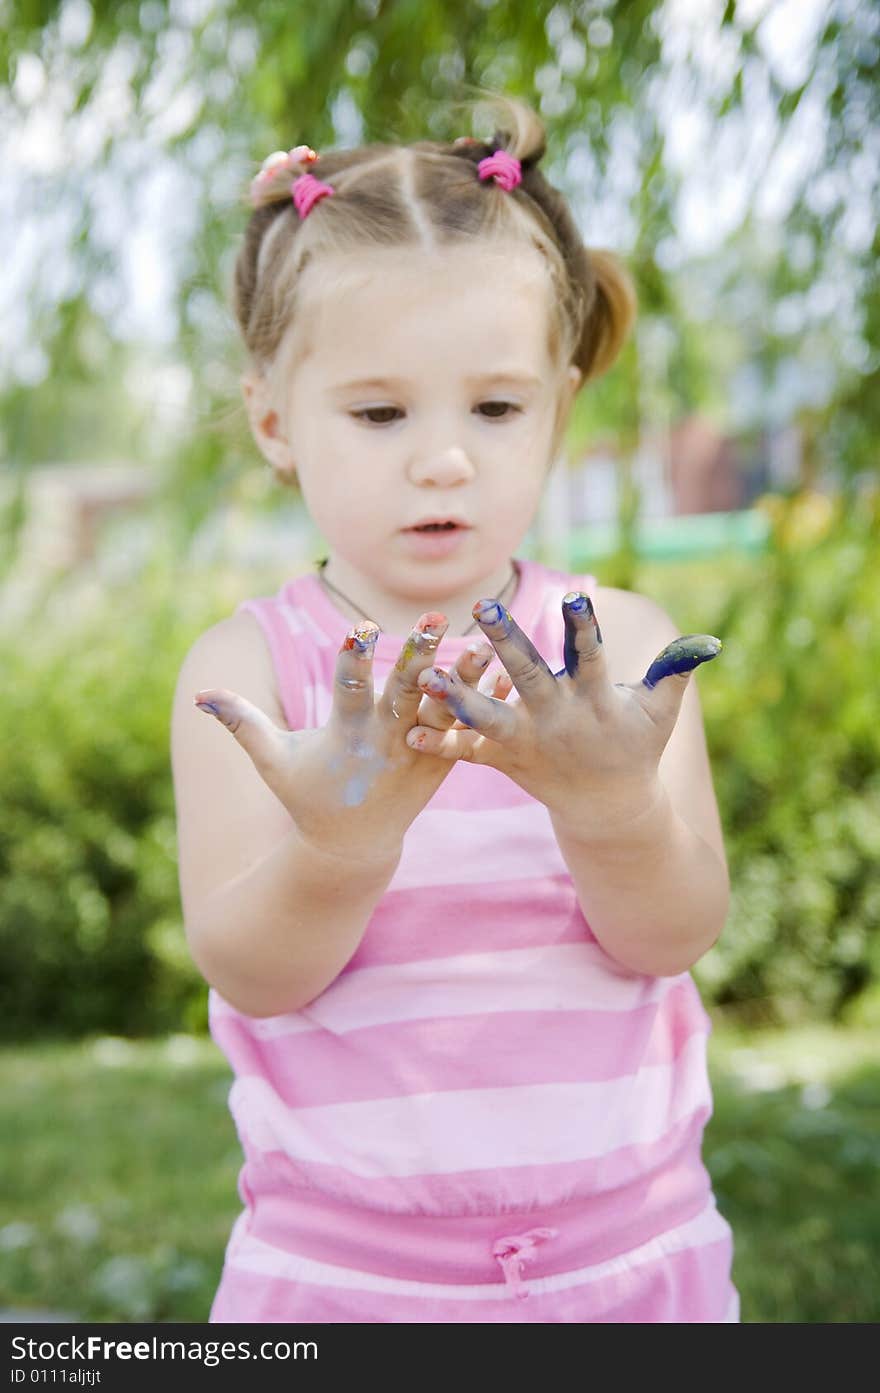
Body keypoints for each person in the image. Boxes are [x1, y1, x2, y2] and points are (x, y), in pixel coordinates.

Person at [170, 91, 739, 1323]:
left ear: (558, 408)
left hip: (629, 1258)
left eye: (495, 407)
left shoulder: (621, 655)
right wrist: (341, 841)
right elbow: (249, 972)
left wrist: (609, 809)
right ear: (274, 418)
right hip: (344, 1279)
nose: (445, 458)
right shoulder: (249, 672)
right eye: (380, 413)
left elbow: (672, 933)